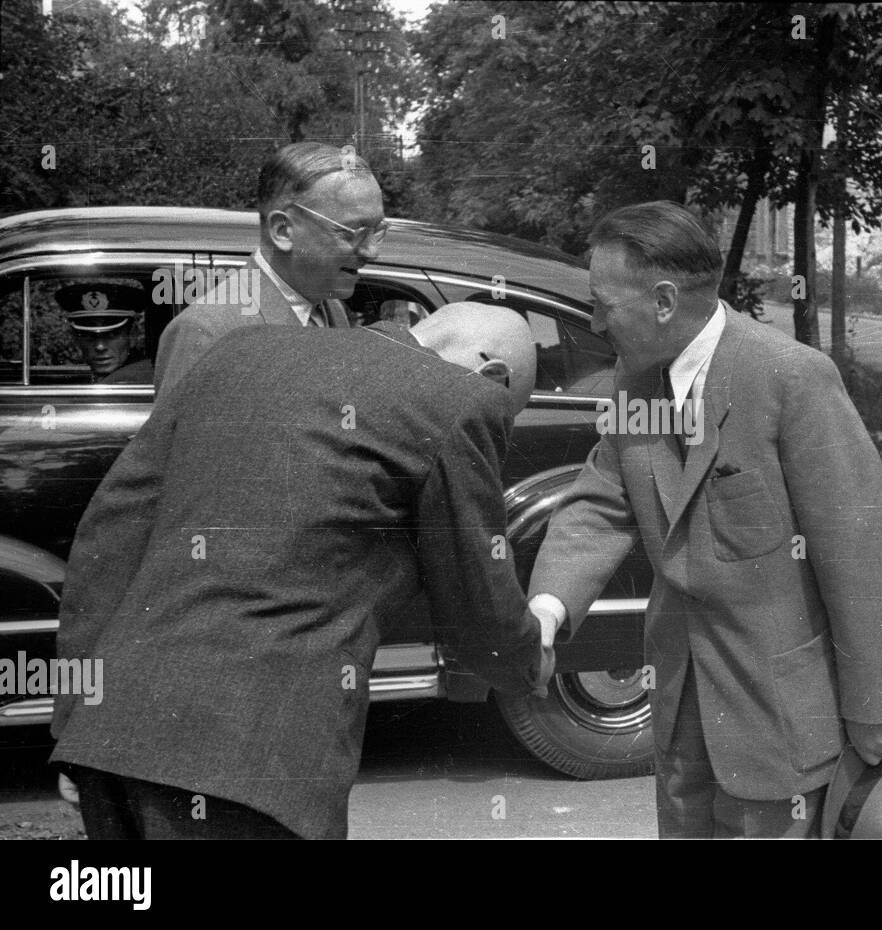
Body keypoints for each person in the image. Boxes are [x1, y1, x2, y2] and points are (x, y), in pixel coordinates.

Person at [50, 305, 550, 839]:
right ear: (493, 376)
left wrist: (73, 718)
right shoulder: (459, 400)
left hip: (109, 740)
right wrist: (527, 661)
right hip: (255, 765)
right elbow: (477, 600)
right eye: (509, 412)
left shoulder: (238, 351)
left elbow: (109, 540)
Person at [526, 201, 882, 839]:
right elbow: (601, 501)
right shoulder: (636, 381)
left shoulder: (790, 378)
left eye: (603, 305)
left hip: (782, 718)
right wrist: (546, 611)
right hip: (681, 706)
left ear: (663, 300)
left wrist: (876, 704)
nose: (594, 323)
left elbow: (864, 553)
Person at [153, 141, 384, 395]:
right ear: (282, 231)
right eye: (354, 233)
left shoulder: (331, 309)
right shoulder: (207, 333)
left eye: (378, 231)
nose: (371, 252)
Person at [55, 283, 154, 384]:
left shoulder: (138, 380)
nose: (100, 347)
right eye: (90, 336)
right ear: (76, 339)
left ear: (133, 335)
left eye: (111, 335)